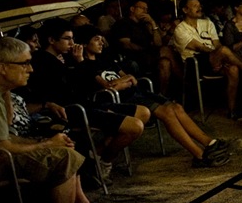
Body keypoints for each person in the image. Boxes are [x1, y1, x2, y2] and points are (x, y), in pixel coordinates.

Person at [0, 37, 113, 203]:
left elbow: (6, 129)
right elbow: (0, 146)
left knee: (64, 147)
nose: (30, 69)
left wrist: (7, 88)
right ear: (2, 67)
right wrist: (47, 144)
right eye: (24, 63)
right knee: (61, 157)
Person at [72, 25, 231, 168]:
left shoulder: (104, 58)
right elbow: (107, 87)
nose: (100, 43)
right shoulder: (86, 66)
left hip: (135, 92)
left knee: (176, 107)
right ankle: (199, 155)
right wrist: (122, 82)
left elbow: (129, 77)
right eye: (96, 40)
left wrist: (123, 81)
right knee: (167, 113)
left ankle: (209, 143)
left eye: (101, 39)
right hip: (122, 100)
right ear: (85, 44)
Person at [28, 18, 145, 183]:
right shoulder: (44, 62)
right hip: (73, 110)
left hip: (88, 104)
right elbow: (76, 88)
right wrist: (79, 62)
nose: (72, 43)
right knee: (135, 127)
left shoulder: (62, 59)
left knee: (142, 113)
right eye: (67, 39)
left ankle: (96, 155)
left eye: (73, 39)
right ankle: (103, 162)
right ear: (52, 40)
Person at [172, 0, 242, 120]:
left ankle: (232, 111)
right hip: (195, 63)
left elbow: (217, 43)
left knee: (233, 69)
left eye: (199, 5)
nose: (199, 8)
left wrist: (221, 57)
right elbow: (200, 48)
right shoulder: (180, 29)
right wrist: (220, 54)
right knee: (224, 50)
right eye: (194, 6)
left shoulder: (207, 23)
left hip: (214, 59)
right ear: (185, 10)